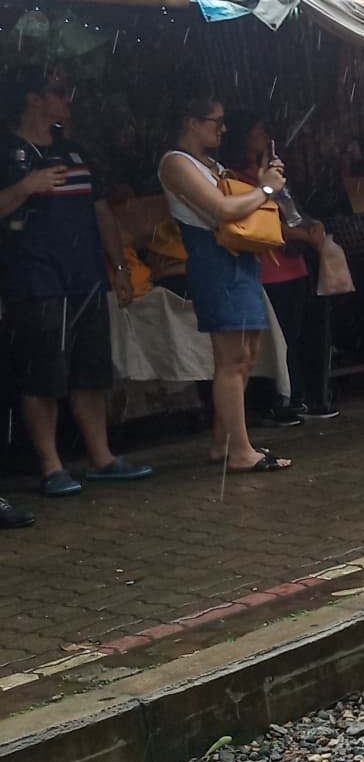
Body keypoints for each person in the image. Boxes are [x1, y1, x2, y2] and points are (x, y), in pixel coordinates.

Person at [0, 64, 153, 501]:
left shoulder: (75, 152)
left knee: (90, 372)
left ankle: (101, 457)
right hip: (36, 279)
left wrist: (119, 267)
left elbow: (100, 211)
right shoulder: (6, 151)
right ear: (33, 99)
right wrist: (27, 186)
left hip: (87, 277)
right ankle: (51, 466)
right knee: (42, 376)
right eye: (58, 92)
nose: (67, 100)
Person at [157, 98, 294, 473]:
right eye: (215, 121)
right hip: (213, 260)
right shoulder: (175, 162)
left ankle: (225, 443)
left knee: (246, 355)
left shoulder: (212, 165)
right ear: (191, 121)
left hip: (240, 259)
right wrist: (265, 190)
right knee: (230, 359)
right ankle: (240, 451)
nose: (223, 128)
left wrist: (265, 183)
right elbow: (222, 210)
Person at [233, 118, 337, 426]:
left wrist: (312, 225)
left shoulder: (273, 176)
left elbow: (293, 212)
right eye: (258, 132)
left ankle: (301, 396)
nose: (265, 136)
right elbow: (261, 223)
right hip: (268, 268)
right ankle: (280, 400)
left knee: (299, 337)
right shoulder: (236, 179)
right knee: (277, 341)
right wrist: (303, 234)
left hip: (294, 265)